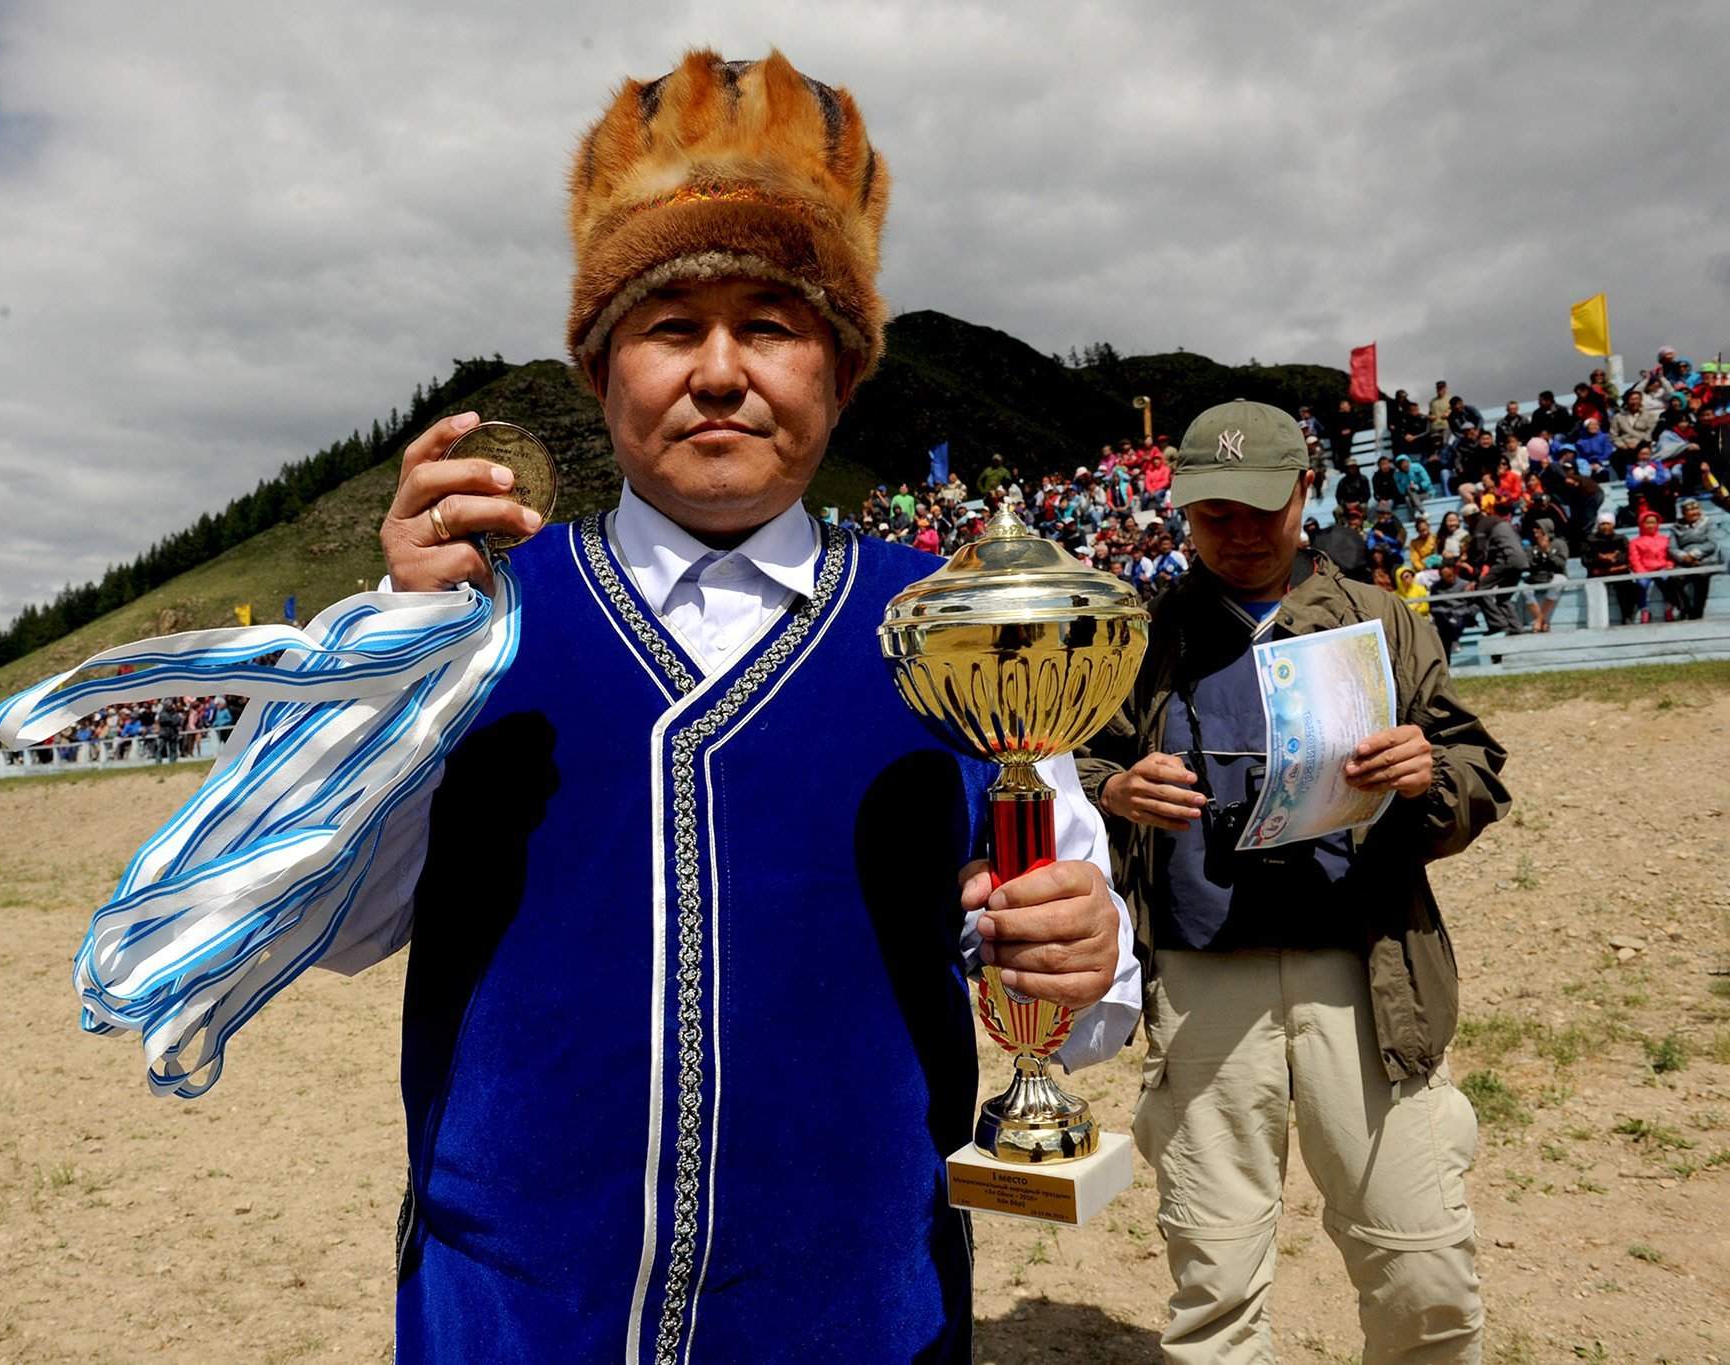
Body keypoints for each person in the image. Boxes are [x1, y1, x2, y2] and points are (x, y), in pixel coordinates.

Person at [358, 51, 1138, 1359]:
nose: (720, 369)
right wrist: (386, 663)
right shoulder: (470, 620)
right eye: (671, 328)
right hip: (512, 1318)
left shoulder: (959, 629)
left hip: (855, 1320)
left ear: (840, 374)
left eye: (771, 326)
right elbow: (341, 929)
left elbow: (1090, 986)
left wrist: (1085, 945)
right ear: (602, 374)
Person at [1079, 398, 1505, 1364]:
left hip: (1363, 973)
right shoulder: (1142, 638)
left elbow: (1475, 768)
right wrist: (1120, 789)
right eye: (1211, 513)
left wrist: (1427, 774)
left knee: (1421, 1263)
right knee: (1216, 1282)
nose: (1235, 534)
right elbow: (1075, 767)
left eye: (1259, 510)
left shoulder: (1382, 621)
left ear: (1306, 492)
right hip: (1202, 980)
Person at [1666, 498, 1720, 620]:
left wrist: (1694, 555)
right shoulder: (1676, 527)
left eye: (1696, 509)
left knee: (1701, 577)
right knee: (1672, 580)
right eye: (1690, 510)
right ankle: (1685, 608)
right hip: (1684, 561)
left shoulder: (1708, 523)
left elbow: (1712, 544)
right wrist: (1684, 557)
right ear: (1684, 513)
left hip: (1704, 559)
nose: (1695, 512)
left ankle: (1697, 612)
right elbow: (1672, 548)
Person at [1523, 523, 1569, 633]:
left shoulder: (1559, 544)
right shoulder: (1531, 547)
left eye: (1538, 530)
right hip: (1538, 577)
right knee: (1523, 588)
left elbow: (1561, 564)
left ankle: (1538, 621)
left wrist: (1548, 551)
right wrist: (1539, 553)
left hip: (1557, 574)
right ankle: (1543, 621)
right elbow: (1529, 565)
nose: (1535, 533)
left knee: (1558, 582)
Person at [1628, 511, 1673, 622]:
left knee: (1668, 582)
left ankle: (1669, 609)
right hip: (1645, 570)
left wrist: (1669, 564)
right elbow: (1634, 559)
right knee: (1641, 585)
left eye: (1653, 522)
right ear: (1641, 524)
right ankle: (1644, 610)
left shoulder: (1665, 540)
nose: (1651, 525)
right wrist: (1641, 571)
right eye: (1647, 523)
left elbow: (1670, 555)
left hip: (1662, 568)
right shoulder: (1635, 542)